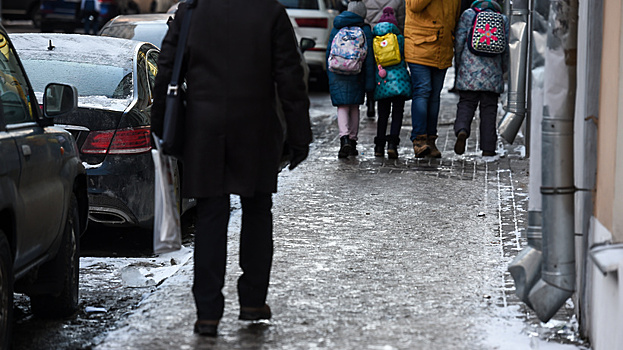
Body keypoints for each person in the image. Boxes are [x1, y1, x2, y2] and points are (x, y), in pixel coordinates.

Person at [150, 0, 312, 337]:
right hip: (256, 126)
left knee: (210, 214)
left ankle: (207, 313)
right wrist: (298, 135)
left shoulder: (192, 11)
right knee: (257, 210)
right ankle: (253, 301)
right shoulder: (269, 12)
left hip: (203, 127)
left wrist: (162, 128)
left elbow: (166, 69)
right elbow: (289, 76)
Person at [404, 0, 461, 158]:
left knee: (434, 95)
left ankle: (430, 140)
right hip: (419, 45)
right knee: (423, 90)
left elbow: (454, 17)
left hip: (442, 47)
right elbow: (415, 6)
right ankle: (419, 140)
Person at [453, 0, 509, 157]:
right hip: (493, 73)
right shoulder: (502, 19)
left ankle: (462, 130)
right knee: (489, 109)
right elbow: (506, 50)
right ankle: (488, 147)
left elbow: (459, 42)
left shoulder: (468, 15)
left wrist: (459, 64)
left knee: (466, 103)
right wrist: (503, 69)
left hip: (469, 71)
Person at [327, 0, 375, 158]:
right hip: (357, 73)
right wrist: (370, 85)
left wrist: (330, 76)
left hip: (337, 72)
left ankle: (344, 139)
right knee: (354, 106)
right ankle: (353, 142)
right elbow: (369, 61)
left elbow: (329, 53)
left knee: (342, 106)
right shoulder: (365, 29)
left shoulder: (337, 26)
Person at [372, 7, 411, 159]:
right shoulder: (400, 39)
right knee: (397, 113)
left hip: (382, 82)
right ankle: (393, 144)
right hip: (399, 83)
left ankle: (379, 147)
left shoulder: (375, 40)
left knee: (382, 114)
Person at [362, 0, 406, 119]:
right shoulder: (398, 1)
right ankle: (388, 97)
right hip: (389, 40)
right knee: (387, 70)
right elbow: (401, 22)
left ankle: (370, 102)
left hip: (371, 37)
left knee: (371, 71)